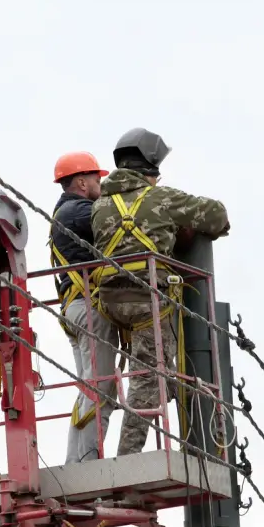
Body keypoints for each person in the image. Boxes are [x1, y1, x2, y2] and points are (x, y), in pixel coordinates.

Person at [90, 127, 230, 456]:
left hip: (110, 301)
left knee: (147, 371)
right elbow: (217, 215)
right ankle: (128, 455)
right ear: (151, 166)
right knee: (148, 380)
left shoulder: (100, 205)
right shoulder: (161, 198)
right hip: (147, 301)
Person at [49, 152, 120, 463]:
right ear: (81, 182)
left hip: (75, 310)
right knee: (101, 389)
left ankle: (75, 462)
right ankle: (89, 462)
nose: (100, 185)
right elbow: (115, 220)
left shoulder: (65, 213)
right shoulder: (78, 211)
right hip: (88, 310)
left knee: (89, 388)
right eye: (97, 179)